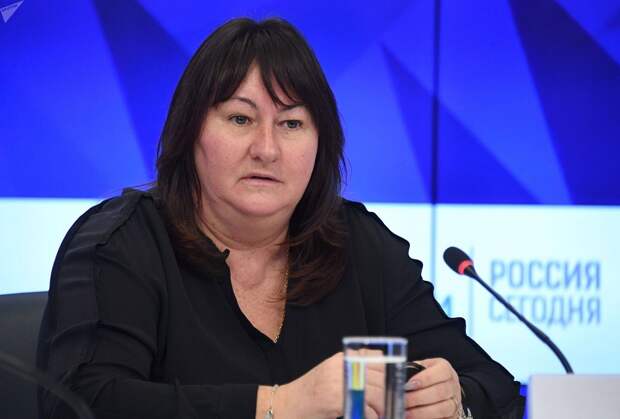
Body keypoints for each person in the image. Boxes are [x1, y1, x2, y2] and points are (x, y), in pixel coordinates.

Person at [37, 17, 524, 419]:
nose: (266, 149)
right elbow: (82, 403)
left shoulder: (357, 242)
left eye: (291, 123)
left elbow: (495, 384)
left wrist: (456, 399)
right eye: (240, 119)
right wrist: (278, 406)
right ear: (190, 132)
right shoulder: (121, 243)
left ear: (320, 145)